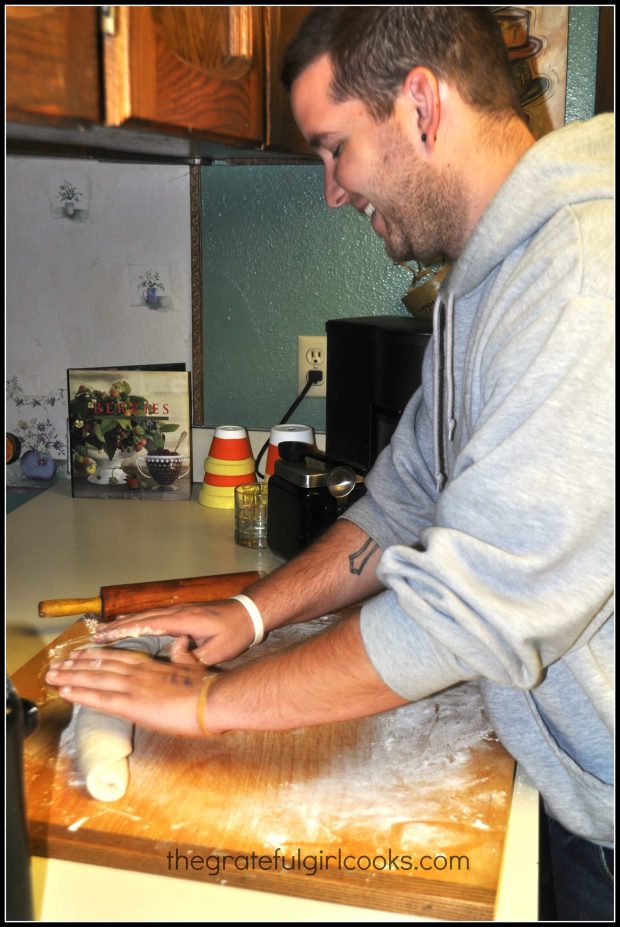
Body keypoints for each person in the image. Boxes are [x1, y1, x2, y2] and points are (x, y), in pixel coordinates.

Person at [46, 7, 613, 920]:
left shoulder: (583, 280)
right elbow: (402, 501)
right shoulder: (490, 282)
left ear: (421, 105)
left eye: (334, 147)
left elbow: (463, 621)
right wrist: (248, 612)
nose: (332, 191)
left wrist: (204, 706)